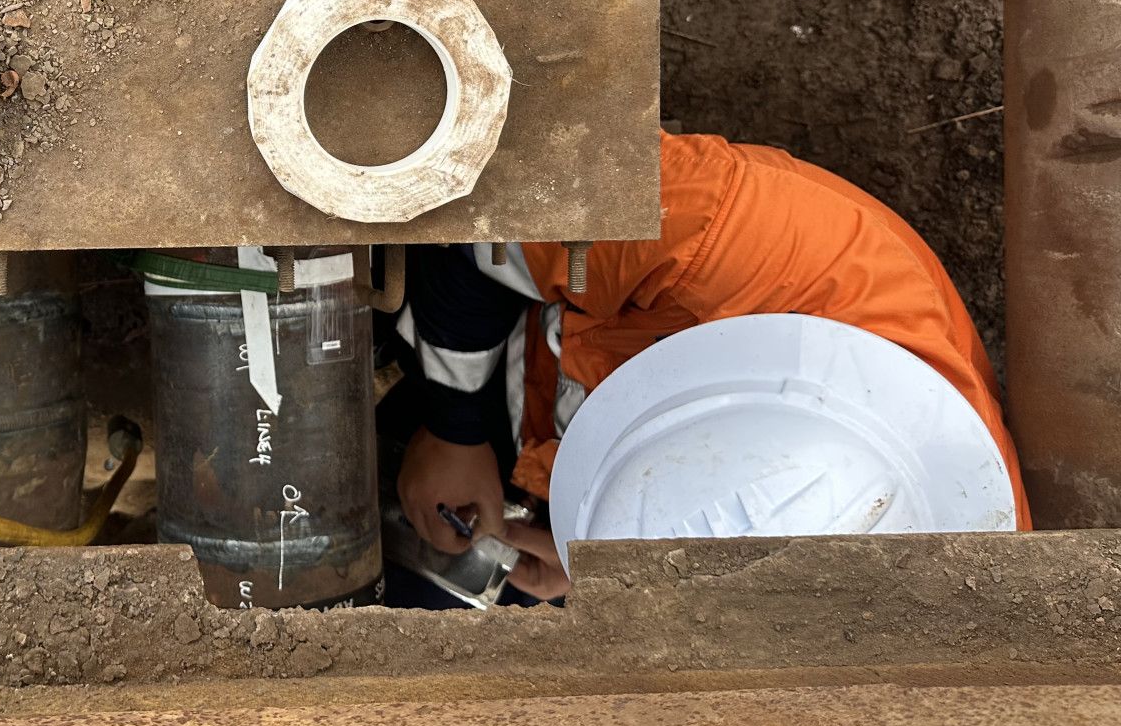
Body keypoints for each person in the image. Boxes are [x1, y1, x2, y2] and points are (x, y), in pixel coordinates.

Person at [388, 130, 1029, 601]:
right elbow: (482, 224)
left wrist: (600, 573)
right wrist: (452, 429)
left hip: (571, 491)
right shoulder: (720, 234)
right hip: (498, 345)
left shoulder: (945, 593)